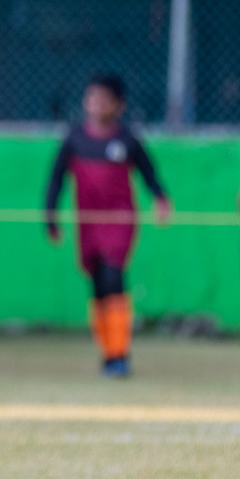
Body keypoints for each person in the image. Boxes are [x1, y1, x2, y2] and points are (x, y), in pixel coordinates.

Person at [43, 74, 170, 378]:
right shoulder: (74, 139)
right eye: (92, 97)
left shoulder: (127, 139)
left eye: (104, 99)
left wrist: (161, 198)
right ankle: (108, 352)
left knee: (114, 278)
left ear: (119, 105)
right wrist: (51, 216)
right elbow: (56, 179)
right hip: (87, 225)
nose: (97, 104)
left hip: (119, 221)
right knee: (98, 284)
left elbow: (149, 172)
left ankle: (120, 354)